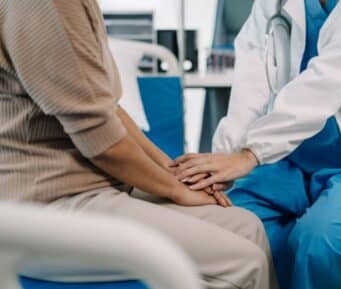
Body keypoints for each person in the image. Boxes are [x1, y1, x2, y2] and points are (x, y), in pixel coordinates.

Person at [0, 1, 278, 289]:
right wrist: (176, 190)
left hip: (95, 188)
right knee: (244, 262)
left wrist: (174, 171)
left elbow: (107, 108)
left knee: (247, 227)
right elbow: (101, 140)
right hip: (42, 209)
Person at [173, 0, 341, 289]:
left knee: (322, 241)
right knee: (230, 230)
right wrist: (225, 157)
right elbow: (253, 70)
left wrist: (251, 153)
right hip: (285, 160)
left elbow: (335, 74)